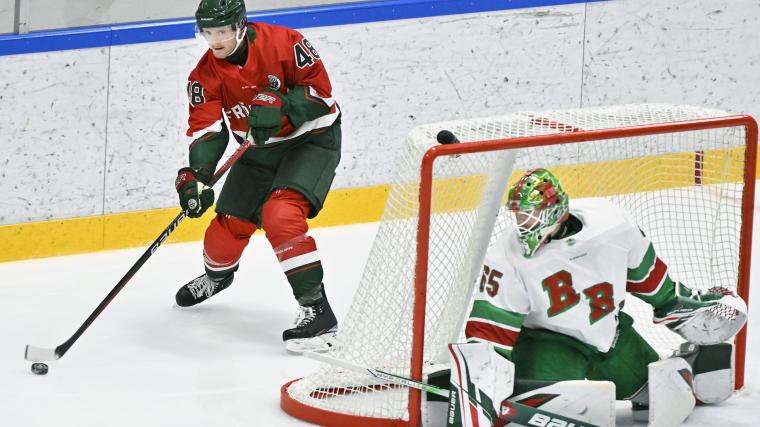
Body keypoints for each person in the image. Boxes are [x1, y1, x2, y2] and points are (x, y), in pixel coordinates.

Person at [462, 168, 747, 423]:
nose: (523, 222)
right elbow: (491, 327)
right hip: (551, 344)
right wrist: (481, 381)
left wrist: (671, 303)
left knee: (664, 396)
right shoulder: (506, 256)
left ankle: (693, 363)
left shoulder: (611, 223)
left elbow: (646, 276)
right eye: (520, 215)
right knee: (551, 412)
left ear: (554, 209)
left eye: (530, 214)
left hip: (612, 339)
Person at [173, 0, 342, 353]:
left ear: (240, 26)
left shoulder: (285, 42)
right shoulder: (203, 76)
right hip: (258, 150)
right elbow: (207, 131)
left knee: (280, 215)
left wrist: (284, 108)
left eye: (221, 31)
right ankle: (217, 279)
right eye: (207, 32)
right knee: (225, 230)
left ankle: (318, 312)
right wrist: (198, 176)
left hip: (310, 142)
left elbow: (321, 92)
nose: (215, 40)